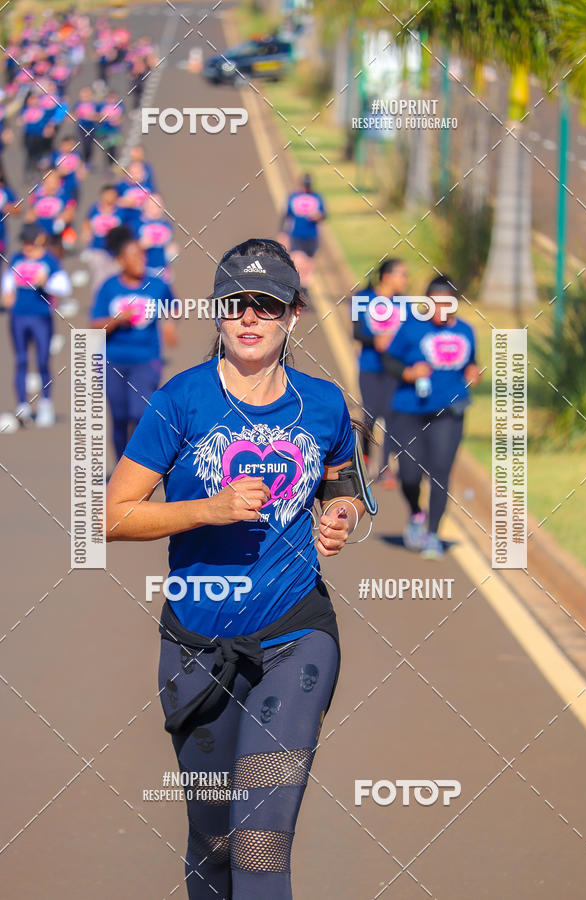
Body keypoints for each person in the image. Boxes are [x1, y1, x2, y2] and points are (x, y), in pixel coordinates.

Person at [105, 238, 372, 899]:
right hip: (197, 648)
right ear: (217, 313)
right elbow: (111, 516)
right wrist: (208, 509)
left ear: (292, 315)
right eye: (235, 305)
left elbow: (342, 484)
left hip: (295, 636)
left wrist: (339, 517)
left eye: (266, 305)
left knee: (260, 841)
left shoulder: (324, 405)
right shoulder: (181, 402)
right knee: (215, 843)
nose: (249, 317)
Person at [383, 274, 481, 559]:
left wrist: (473, 373)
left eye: (447, 304)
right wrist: (408, 373)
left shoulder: (466, 331)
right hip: (409, 410)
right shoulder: (411, 329)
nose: (441, 310)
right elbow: (389, 360)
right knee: (410, 475)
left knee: (440, 471)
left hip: (450, 410)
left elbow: (472, 363)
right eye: (434, 304)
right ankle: (416, 513)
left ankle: (434, 533)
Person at [88, 225, 177, 463]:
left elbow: (172, 306)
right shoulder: (109, 287)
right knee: (119, 417)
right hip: (113, 359)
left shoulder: (157, 285)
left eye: (142, 255)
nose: (141, 260)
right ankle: (120, 469)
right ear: (120, 260)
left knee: (140, 413)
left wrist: (169, 324)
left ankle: (141, 467)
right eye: (134, 256)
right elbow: (94, 326)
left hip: (146, 358)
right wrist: (117, 320)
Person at [2, 222, 71, 426]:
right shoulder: (16, 258)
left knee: (42, 360)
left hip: (40, 317)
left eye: (28, 242)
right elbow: (7, 283)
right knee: (21, 359)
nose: (25, 246)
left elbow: (63, 287)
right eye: (24, 242)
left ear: (38, 241)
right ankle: (22, 405)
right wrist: (7, 295)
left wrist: (46, 282)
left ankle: (46, 404)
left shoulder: (50, 261)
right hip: (18, 317)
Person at [352, 258, 408, 489]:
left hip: (394, 369)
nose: (406, 280)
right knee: (370, 416)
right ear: (386, 276)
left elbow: (410, 334)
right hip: (369, 366)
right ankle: (364, 460)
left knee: (391, 415)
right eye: (402, 274)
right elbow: (357, 332)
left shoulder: (405, 303)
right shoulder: (362, 299)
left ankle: (385, 467)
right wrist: (376, 339)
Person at [279, 174, 326, 290]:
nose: (306, 188)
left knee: (309, 266)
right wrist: (282, 233)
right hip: (296, 235)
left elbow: (324, 214)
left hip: (311, 236)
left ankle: (305, 291)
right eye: (305, 185)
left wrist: (318, 217)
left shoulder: (317, 198)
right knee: (298, 263)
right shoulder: (293, 197)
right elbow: (285, 216)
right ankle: (297, 289)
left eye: (308, 185)